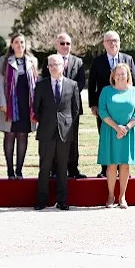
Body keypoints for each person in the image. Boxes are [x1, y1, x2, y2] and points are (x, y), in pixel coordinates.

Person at [88, 30, 135, 178]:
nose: (112, 43)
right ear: (104, 44)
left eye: (115, 40)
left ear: (119, 42)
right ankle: (106, 170)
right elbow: (92, 84)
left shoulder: (128, 59)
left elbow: (134, 82)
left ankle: (123, 170)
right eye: (109, 41)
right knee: (105, 137)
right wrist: (93, 104)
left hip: (125, 109)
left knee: (124, 137)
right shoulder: (98, 61)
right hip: (104, 108)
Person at [34, 55, 80, 211]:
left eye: (57, 64)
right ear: (47, 67)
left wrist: (65, 124)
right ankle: (42, 200)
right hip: (46, 132)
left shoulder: (72, 85)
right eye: (51, 65)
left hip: (64, 133)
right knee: (44, 167)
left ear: (63, 66)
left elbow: (75, 109)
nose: (54, 67)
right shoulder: (40, 85)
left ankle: (62, 200)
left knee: (62, 168)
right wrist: (48, 121)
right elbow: (36, 109)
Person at [0, 33, 38, 179]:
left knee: (23, 136)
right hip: (10, 104)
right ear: (12, 45)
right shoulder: (4, 60)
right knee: (10, 135)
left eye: (22, 42)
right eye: (16, 42)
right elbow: (0, 83)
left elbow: (35, 83)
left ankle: (19, 170)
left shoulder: (32, 61)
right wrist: (3, 102)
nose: (20, 45)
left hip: (26, 105)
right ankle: (10, 171)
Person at [41, 33, 86, 179]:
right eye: (62, 43)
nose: (65, 46)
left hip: (72, 108)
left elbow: (81, 83)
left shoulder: (78, 62)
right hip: (53, 109)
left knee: (72, 139)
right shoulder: (48, 61)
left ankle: (73, 169)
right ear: (56, 45)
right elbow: (45, 82)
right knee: (54, 139)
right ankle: (54, 170)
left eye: (68, 43)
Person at [97, 63, 135, 208]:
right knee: (111, 165)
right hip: (110, 131)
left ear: (128, 75)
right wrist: (117, 128)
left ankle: (122, 197)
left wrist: (126, 128)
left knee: (124, 165)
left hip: (128, 132)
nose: (120, 76)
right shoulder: (106, 91)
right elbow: (102, 111)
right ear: (113, 76)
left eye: (123, 73)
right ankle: (111, 196)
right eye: (118, 74)